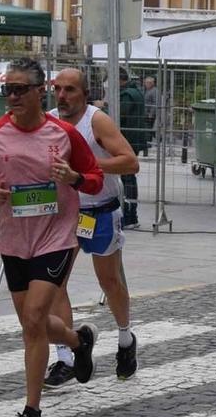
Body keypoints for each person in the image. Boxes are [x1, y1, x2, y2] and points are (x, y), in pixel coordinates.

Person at [0, 59, 106, 417]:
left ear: (38, 90)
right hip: (15, 238)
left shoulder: (63, 134)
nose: (11, 97)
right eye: (6, 90)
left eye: (18, 89)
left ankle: (32, 414)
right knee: (37, 325)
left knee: (32, 320)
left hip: (57, 235)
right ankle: (79, 341)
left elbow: (94, 180)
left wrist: (74, 178)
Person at [45, 67, 143, 386]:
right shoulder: (47, 121)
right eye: (58, 88)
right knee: (55, 283)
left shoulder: (96, 120)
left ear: (84, 93)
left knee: (109, 281)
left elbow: (130, 162)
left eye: (70, 89)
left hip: (100, 210)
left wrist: (86, 167)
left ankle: (126, 338)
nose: (62, 95)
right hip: (64, 213)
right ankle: (65, 358)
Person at [116, 69, 151, 228]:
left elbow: (117, 114)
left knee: (127, 180)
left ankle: (130, 216)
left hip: (127, 141)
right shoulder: (135, 91)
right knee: (128, 178)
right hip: (132, 140)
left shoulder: (127, 94)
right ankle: (130, 215)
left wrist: (103, 106)